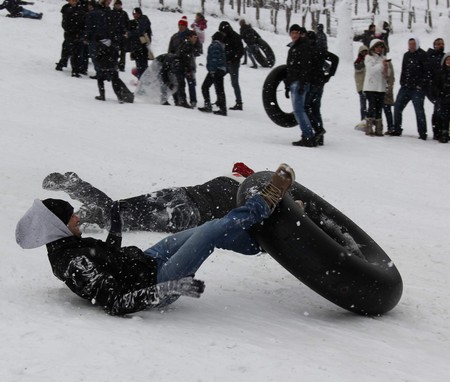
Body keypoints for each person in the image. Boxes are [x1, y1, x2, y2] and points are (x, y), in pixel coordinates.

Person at [16, 164, 295, 316]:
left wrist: (115, 224)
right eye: (71, 216)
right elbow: (116, 301)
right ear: (58, 226)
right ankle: (264, 203)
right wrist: (170, 288)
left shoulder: (69, 245)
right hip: (157, 280)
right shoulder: (73, 262)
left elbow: (109, 258)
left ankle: (261, 244)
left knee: (207, 228)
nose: (77, 218)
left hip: (147, 260)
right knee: (210, 234)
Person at [41, 164, 250, 232]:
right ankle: (90, 206)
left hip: (178, 193)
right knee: (116, 218)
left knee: (116, 209)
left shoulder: (233, 177)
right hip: (187, 213)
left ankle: (83, 198)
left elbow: (239, 166)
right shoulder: (251, 200)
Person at [388, 37, 428, 139]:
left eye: (413, 44)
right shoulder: (406, 55)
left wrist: (421, 84)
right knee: (397, 107)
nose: (411, 46)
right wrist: (402, 82)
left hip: (417, 89)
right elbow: (404, 69)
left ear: (417, 44)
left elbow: (427, 72)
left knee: (419, 110)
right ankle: (397, 129)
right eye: (410, 44)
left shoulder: (423, 55)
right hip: (405, 87)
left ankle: (422, 132)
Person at [305, 30, 339, 146]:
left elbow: (335, 59)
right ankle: (320, 136)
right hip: (320, 82)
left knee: (306, 108)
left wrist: (329, 74)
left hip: (312, 83)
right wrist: (329, 75)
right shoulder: (320, 50)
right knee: (316, 109)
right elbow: (335, 59)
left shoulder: (309, 50)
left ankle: (317, 131)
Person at [284, 24, 315, 147]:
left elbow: (305, 67)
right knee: (300, 110)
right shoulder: (293, 48)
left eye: (296, 33)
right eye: (292, 33)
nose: (294, 35)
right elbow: (289, 68)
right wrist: (287, 85)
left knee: (298, 110)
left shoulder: (303, 47)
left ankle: (308, 136)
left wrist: (302, 83)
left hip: (299, 82)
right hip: (294, 81)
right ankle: (308, 135)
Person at [363, 39, 390, 136]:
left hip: (381, 87)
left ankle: (379, 128)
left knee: (379, 108)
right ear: (373, 48)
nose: (379, 49)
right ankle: (369, 127)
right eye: (377, 47)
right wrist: (381, 65)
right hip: (371, 87)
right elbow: (371, 70)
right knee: (372, 106)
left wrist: (386, 68)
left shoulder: (384, 58)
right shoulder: (368, 57)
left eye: (381, 47)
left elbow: (388, 74)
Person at [198, 31, 228, 116]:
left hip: (215, 70)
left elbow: (214, 58)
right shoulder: (221, 45)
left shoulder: (214, 45)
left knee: (205, 87)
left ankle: (208, 105)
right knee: (220, 89)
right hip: (221, 69)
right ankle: (223, 108)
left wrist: (212, 71)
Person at [55, 0, 85, 78]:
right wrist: (71, 30)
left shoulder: (80, 8)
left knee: (69, 50)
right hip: (70, 34)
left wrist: (82, 31)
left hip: (78, 33)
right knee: (72, 52)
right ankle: (74, 70)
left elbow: (83, 20)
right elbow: (65, 23)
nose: (74, 2)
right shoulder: (67, 9)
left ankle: (62, 64)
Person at [219, 21, 245, 111]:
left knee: (234, 83)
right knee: (219, 79)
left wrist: (233, 60)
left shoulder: (235, 37)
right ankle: (221, 99)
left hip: (233, 64)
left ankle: (239, 102)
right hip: (226, 63)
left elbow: (240, 51)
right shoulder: (225, 37)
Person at [425, 38, 446, 140]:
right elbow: (427, 73)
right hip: (433, 89)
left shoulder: (445, 57)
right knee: (437, 110)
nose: (440, 45)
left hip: (444, 89)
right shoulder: (429, 57)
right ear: (434, 45)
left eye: (442, 44)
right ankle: (436, 132)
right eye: (438, 44)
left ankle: (443, 130)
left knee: (443, 111)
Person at [126, 7, 152, 79]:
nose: (135, 15)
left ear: (140, 14)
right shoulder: (135, 22)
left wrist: (130, 33)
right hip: (136, 47)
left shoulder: (144, 19)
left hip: (143, 46)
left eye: (137, 14)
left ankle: (143, 79)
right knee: (139, 65)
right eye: (134, 14)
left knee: (143, 65)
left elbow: (140, 31)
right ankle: (141, 79)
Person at [431, 53, 450, 143]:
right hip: (443, 98)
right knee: (442, 117)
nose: (449, 61)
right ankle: (442, 133)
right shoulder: (440, 72)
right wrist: (439, 94)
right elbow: (435, 85)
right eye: (447, 60)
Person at [111, 0, 129, 72]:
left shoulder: (124, 13)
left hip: (122, 35)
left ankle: (122, 65)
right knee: (114, 51)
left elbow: (127, 23)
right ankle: (114, 64)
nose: (118, 6)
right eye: (116, 5)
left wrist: (126, 31)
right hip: (114, 35)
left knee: (123, 52)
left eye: (119, 5)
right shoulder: (111, 13)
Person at [354, 45, 369, 130]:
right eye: (363, 52)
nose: (365, 53)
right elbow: (358, 68)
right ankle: (363, 119)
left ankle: (369, 120)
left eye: (366, 51)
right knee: (363, 105)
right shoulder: (358, 62)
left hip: (369, 87)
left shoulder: (369, 61)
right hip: (361, 86)